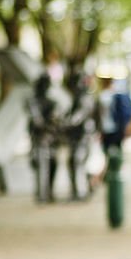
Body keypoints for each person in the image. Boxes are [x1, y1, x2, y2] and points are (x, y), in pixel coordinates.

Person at [26, 73, 62, 203]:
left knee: (52, 164)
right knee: (41, 165)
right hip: (39, 138)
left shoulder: (52, 102)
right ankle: (42, 194)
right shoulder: (33, 102)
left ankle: (48, 192)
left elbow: (55, 118)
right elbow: (37, 121)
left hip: (50, 138)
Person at [64, 71, 96, 200]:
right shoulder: (78, 99)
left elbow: (77, 118)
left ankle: (81, 191)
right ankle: (78, 190)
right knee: (74, 163)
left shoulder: (85, 99)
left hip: (83, 136)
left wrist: (66, 122)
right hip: (77, 136)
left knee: (78, 163)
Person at [95, 76, 131, 178]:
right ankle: (110, 173)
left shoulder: (112, 96)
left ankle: (111, 173)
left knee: (111, 153)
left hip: (111, 128)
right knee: (111, 152)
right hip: (110, 128)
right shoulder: (110, 96)